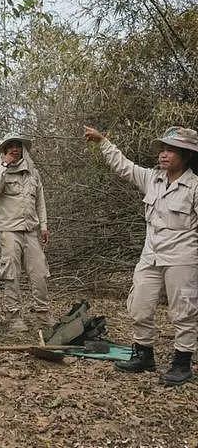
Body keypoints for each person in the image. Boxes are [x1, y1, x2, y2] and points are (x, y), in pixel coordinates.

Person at [85, 125, 198, 386]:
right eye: (163, 149)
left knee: (184, 311)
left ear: (186, 155)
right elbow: (123, 166)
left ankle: (182, 363)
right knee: (139, 305)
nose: (164, 155)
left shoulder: (193, 187)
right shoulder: (152, 178)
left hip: (182, 257)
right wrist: (103, 141)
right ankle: (143, 354)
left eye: (172, 150)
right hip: (151, 255)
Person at [0, 133, 53, 332]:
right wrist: (4, 166)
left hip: (31, 230)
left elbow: (40, 200)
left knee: (40, 272)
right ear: (5, 150)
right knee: (11, 273)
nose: (15, 149)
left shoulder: (33, 173)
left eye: (18, 146)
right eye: (11, 146)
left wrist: (44, 225)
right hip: (9, 230)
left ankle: (42, 314)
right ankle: (12, 316)